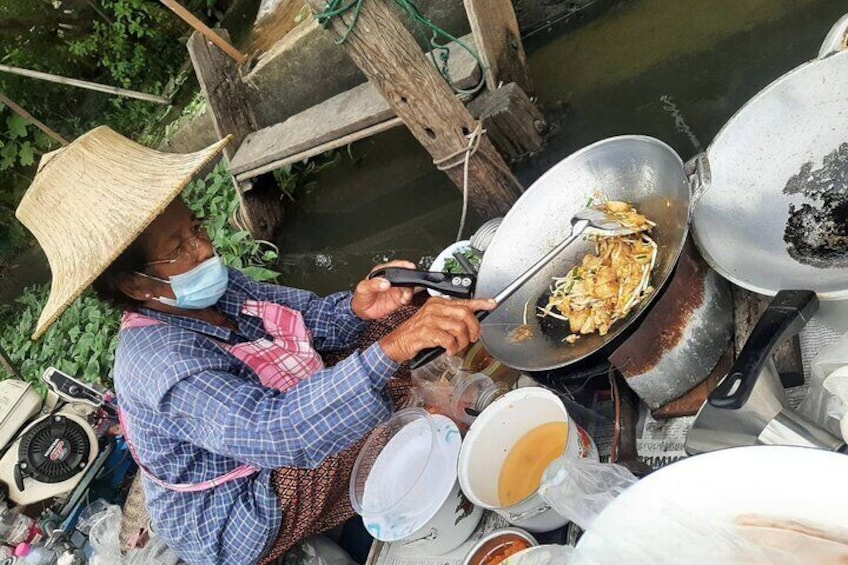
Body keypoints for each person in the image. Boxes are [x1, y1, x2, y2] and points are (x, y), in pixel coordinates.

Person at [16, 127, 495, 565]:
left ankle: (426, 401)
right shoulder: (160, 367)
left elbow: (308, 319)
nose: (204, 249)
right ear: (136, 285)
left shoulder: (215, 288)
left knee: (403, 313)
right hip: (240, 509)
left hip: (268, 422)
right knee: (384, 397)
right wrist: (394, 350)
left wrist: (358, 307)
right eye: (179, 247)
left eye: (196, 229)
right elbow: (280, 433)